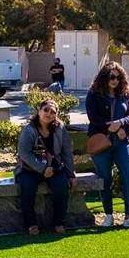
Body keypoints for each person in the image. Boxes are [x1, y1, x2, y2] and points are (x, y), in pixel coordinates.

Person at [86, 63, 129, 228]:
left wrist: (120, 124)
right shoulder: (94, 94)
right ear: (104, 77)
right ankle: (109, 215)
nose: (115, 80)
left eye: (118, 77)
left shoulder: (124, 94)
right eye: (112, 76)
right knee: (105, 179)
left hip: (122, 142)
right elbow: (93, 118)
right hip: (102, 142)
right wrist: (110, 127)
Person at [15, 99, 77, 236]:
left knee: (62, 187)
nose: (49, 114)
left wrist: (71, 174)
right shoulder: (29, 130)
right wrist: (42, 169)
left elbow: (67, 151)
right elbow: (24, 153)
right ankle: (31, 224)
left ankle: (58, 222)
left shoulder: (60, 128)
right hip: (30, 169)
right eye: (46, 110)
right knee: (27, 188)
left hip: (54, 168)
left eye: (53, 112)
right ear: (39, 111)